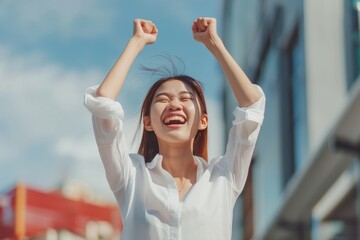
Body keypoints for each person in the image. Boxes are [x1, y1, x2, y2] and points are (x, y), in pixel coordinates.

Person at [84, 17, 265, 240]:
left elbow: (252, 106)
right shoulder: (131, 176)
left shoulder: (223, 177)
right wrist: (136, 42)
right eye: (162, 99)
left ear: (203, 121)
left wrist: (214, 43)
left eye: (186, 98)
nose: (174, 105)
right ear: (148, 122)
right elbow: (102, 105)